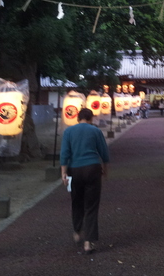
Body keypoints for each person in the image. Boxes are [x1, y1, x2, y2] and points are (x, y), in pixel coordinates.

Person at [60, 108, 109, 254]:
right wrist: (105, 169)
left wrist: (63, 173)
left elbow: (64, 153)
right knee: (91, 205)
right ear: (91, 118)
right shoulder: (95, 131)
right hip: (93, 168)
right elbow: (104, 153)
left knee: (76, 201)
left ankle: (77, 231)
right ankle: (88, 242)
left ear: (77, 118)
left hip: (75, 169)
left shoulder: (69, 132)